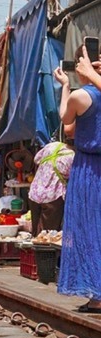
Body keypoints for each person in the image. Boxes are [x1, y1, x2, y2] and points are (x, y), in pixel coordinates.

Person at [55, 43, 101, 312]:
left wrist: (65, 87)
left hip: (88, 169)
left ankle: (97, 293)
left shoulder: (81, 96)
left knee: (88, 228)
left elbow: (66, 123)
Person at [28, 138, 74, 236]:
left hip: (35, 193)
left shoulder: (52, 145)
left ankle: (35, 250)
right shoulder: (73, 156)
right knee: (49, 235)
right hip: (52, 197)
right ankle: (44, 251)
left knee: (36, 232)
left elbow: (36, 159)